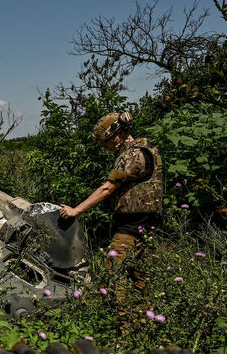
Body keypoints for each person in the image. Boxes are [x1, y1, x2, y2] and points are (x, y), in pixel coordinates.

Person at [59, 111, 163, 294]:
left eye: (105, 142)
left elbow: (107, 189)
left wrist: (76, 210)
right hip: (141, 224)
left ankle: (121, 319)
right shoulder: (142, 151)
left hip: (133, 224)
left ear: (117, 135)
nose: (105, 147)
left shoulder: (134, 155)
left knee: (114, 274)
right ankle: (142, 317)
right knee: (138, 275)